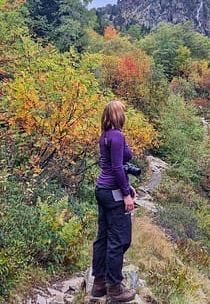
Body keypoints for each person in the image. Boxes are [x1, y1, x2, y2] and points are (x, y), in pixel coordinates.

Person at [91, 100, 137, 302]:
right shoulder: (117, 136)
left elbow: (111, 167)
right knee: (120, 239)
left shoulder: (105, 136)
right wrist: (126, 194)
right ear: (119, 116)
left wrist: (127, 187)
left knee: (103, 237)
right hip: (113, 192)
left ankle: (98, 284)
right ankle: (115, 289)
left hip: (102, 189)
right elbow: (118, 168)